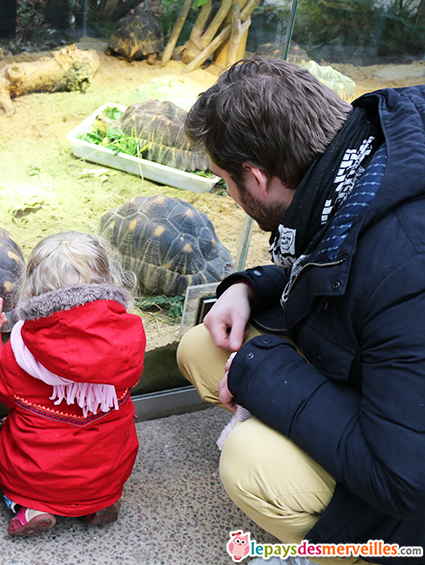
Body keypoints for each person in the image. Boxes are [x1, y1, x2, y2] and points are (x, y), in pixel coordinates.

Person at [177, 56, 425, 564]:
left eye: (226, 180)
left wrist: (264, 370)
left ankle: (350, 552)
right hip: (392, 394)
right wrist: (249, 287)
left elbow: (406, 481)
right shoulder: (359, 167)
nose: (228, 194)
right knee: (205, 346)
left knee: (249, 463)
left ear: (258, 176)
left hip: (411, 482)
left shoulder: (404, 266)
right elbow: (335, 266)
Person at [0, 231, 146, 537]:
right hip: (107, 472)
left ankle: (30, 509)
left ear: (35, 288)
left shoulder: (21, 351)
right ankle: (100, 502)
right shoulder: (129, 336)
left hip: (38, 475)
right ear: (108, 280)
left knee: (5, 460)